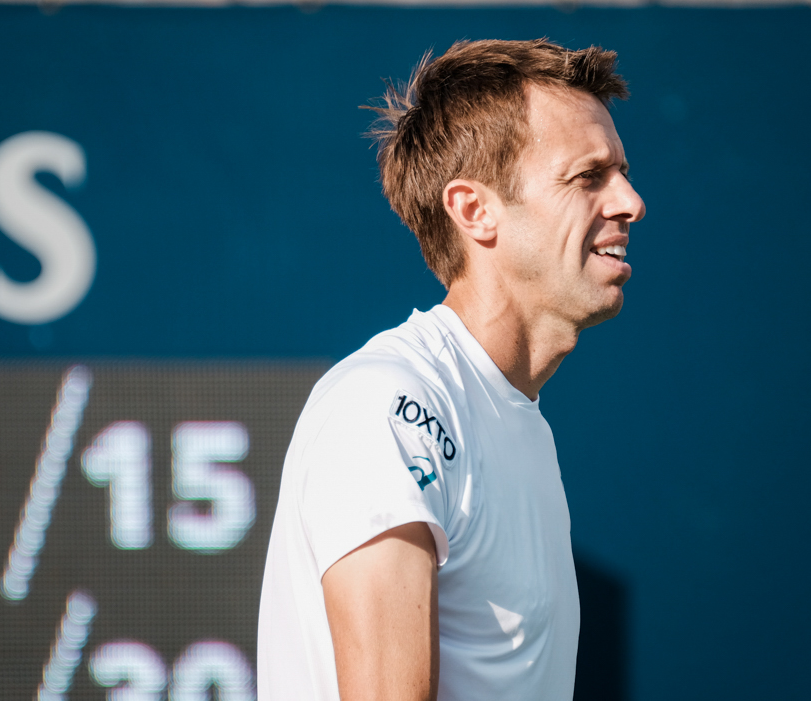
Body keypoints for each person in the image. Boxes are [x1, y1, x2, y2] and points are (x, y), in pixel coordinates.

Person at [257, 37, 646, 701]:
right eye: (588, 177)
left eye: (621, 173)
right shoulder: (388, 404)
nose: (629, 203)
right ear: (474, 211)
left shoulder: (517, 423)